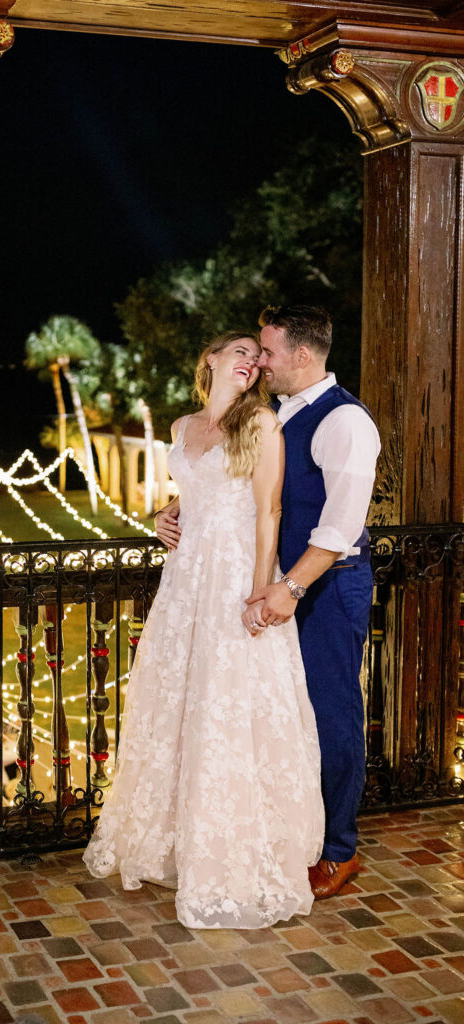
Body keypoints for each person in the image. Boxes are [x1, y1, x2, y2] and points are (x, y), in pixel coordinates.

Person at [83, 331, 325, 929]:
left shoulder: (261, 424)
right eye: (239, 351)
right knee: (177, 703)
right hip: (185, 581)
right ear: (211, 360)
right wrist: (164, 514)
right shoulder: (180, 428)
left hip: (235, 575)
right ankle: (173, 841)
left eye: (255, 354)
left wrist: (261, 588)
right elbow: (193, 495)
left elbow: (267, 509)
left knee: (229, 705)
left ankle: (232, 855)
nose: (250, 361)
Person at [158, 305, 380, 900]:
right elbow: (240, 483)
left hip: (324, 587)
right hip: (273, 584)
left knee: (330, 716)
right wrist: (179, 509)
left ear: (302, 356)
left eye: (269, 351)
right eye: (252, 351)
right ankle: (282, 837)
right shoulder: (275, 413)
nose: (261, 360)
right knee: (278, 716)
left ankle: (338, 851)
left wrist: (289, 588)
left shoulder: (345, 423)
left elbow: (339, 527)